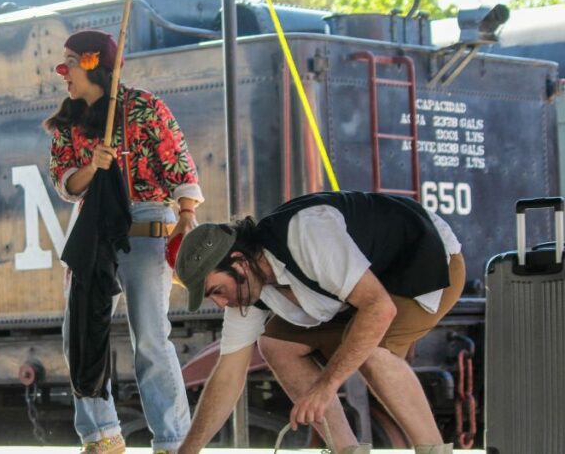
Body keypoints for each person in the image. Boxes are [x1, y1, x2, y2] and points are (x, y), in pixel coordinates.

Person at [174, 191, 462, 454]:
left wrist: (324, 387)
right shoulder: (247, 288)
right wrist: (188, 451)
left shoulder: (306, 233)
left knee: (372, 346)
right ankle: (346, 451)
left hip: (424, 259)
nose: (222, 304)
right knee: (276, 344)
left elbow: (378, 309)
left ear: (239, 263)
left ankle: (433, 450)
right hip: (364, 289)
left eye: (217, 291)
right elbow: (227, 376)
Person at [46, 29, 201, 454]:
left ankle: (173, 441)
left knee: (150, 336)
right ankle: (102, 436)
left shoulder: (145, 107)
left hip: (147, 229)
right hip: (94, 228)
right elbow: (66, 183)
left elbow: (180, 169)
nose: (64, 74)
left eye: (69, 64)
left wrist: (186, 219)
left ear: (93, 63)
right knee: (79, 333)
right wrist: (94, 169)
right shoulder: (68, 121)